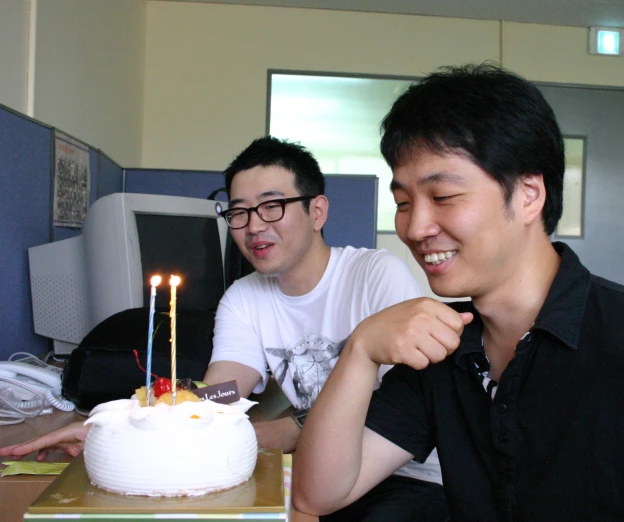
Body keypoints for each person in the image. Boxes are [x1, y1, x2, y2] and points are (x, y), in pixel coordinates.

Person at [292, 63, 624, 521]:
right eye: (403, 202)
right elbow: (319, 493)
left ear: (529, 195)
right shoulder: (445, 349)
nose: (416, 227)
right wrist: (359, 351)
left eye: (443, 197)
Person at [0, 136, 446, 521]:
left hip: (408, 472)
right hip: (318, 467)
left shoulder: (374, 275)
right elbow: (221, 395)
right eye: (239, 212)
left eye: (272, 207)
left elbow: (396, 405)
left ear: (317, 211)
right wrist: (126, 428)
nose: (254, 227)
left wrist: (292, 429)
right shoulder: (243, 297)